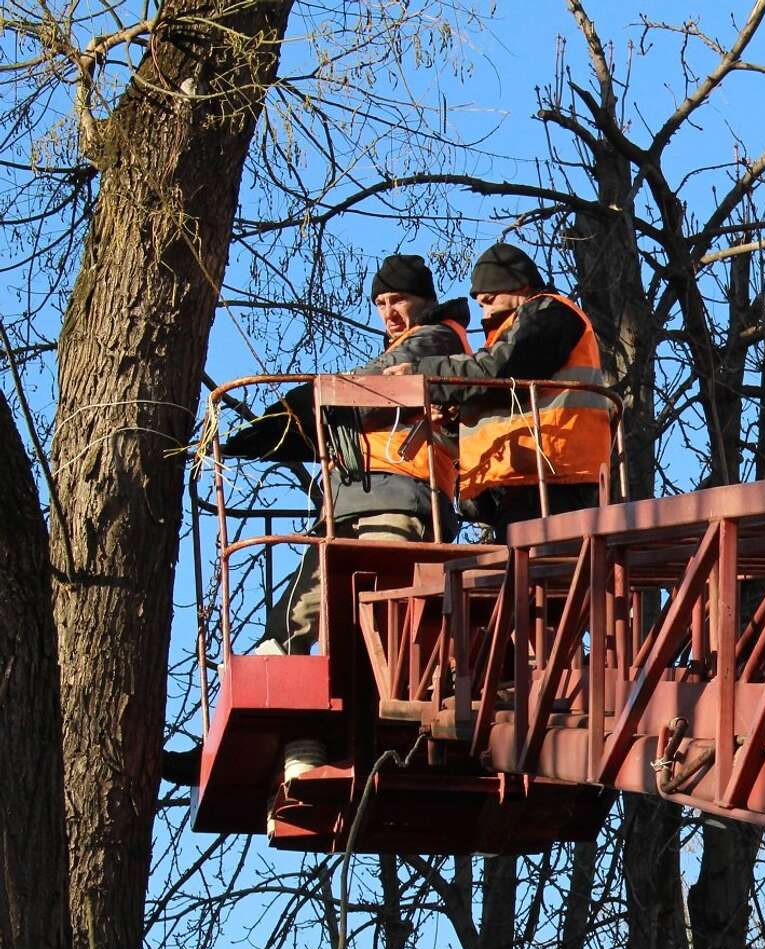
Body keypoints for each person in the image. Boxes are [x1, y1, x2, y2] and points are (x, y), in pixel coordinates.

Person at [227, 254, 472, 653]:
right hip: (358, 493)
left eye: (398, 300)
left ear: (424, 301)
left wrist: (301, 410)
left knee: (386, 605)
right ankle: (276, 649)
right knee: (310, 587)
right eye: (380, 304)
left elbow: (368, 388)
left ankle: (386, 673)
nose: (389, 313)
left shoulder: (436, 338)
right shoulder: (413, 341)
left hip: (402, 492)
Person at [384, 241, 613, 540]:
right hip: (527, 477)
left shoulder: (551, 313)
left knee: (544, 574)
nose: (485, 312)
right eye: (480, 304)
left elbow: (503, 371)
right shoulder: (515, 331)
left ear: (519, 287)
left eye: (490, 300)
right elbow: (504, 397)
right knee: (531, 578)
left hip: (555, 473)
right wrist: (455, 419)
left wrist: (424, 375)